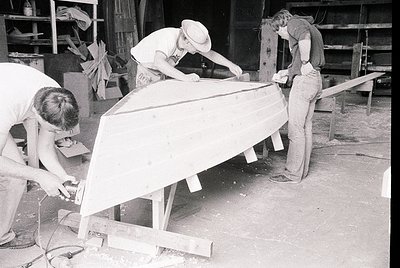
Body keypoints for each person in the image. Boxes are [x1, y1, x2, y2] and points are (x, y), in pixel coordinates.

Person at [0, 63, 80, 249]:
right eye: (52, 129)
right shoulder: (8, 104)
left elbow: (44, 147)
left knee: (15, 178)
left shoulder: (53, 97)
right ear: (36, 113)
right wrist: (39, 175)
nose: (53, 132)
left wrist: (62, 176)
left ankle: (1, 236)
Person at [268, 9, 325, 183]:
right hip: (315, 79)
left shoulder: (294, 23)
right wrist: (288, 71)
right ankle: (302, 172)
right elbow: (303, 55)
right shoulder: (308, 24)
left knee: (295, 129)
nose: (281, 37)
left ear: (282, 25)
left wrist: (305, 62)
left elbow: (304, 37)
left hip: (305, 82)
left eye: (278, 33)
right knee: (305, 127)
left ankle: (292, 174)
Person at [126, 19, 243, 90]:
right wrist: (185, 77)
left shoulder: (186, 42)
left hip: (157, 70)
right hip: (141, 67)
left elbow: (210, 54)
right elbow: (159, 62)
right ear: (187, 41)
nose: (198, 51)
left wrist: (230, 65)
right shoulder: (168, 38)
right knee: (140, 106)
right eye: (197, 48)